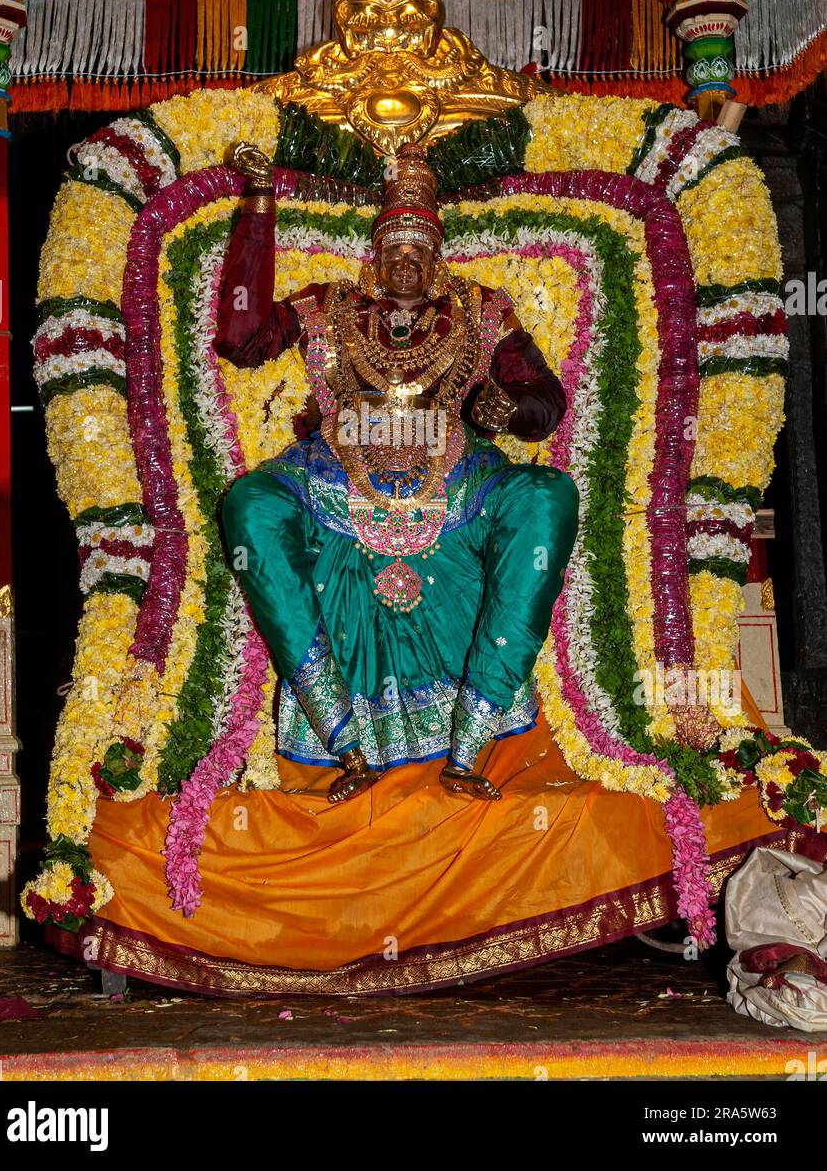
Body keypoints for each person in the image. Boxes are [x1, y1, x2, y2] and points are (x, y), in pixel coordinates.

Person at [215, 141, 579, 803]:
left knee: (549, 494)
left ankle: (472, 741)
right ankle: (342, 740)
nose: (406, 263)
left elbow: (546, 403)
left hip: (457, 479)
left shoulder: (479, 309)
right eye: (394, 250)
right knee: (249, 503)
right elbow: (241, 341)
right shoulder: (329, 305)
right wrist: (259, 206)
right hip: (334, 475)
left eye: (420, 251)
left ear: (438, 256)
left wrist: (513, 407)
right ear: (375, 255)